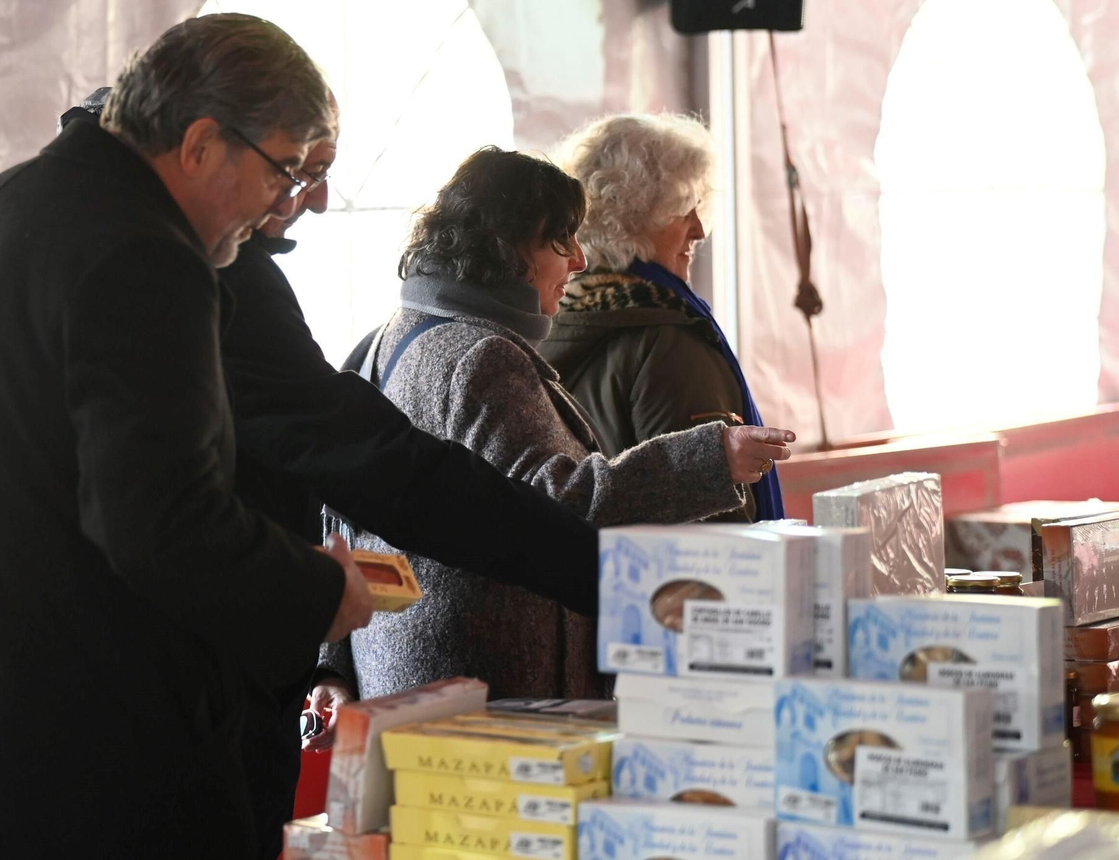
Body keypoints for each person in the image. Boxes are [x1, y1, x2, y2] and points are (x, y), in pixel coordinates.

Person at [0, 14, 377, 859]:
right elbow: (160, 519)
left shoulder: (2, 207)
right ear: (201, 143)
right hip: (62, 738)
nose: (283, 205)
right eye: (283, 170)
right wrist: (315, 590)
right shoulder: (142, 255)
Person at [65, 88, 610, 859]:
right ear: (198, 147)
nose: (316, 200)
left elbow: (332, 480)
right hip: (179, 715)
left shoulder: (70, 225)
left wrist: (329, 655)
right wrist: (627, 561)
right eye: (294, 170)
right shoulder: (188, 271)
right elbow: (358, 469)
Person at [322, 147, 793, 702]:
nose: (579, 261)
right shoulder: (482, 356)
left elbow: (339, 516)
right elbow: (553, 506)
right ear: (510, 248)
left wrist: (333, 667)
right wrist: (714, 457)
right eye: (561, 241)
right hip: (490, 685)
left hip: (401, 673)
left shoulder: (385, 337)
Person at [537, 113, 785, 521]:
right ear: (633, 219)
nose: (700, 230)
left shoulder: (553, 318)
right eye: (684, 209)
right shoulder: (668, 341)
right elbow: (711, 516)